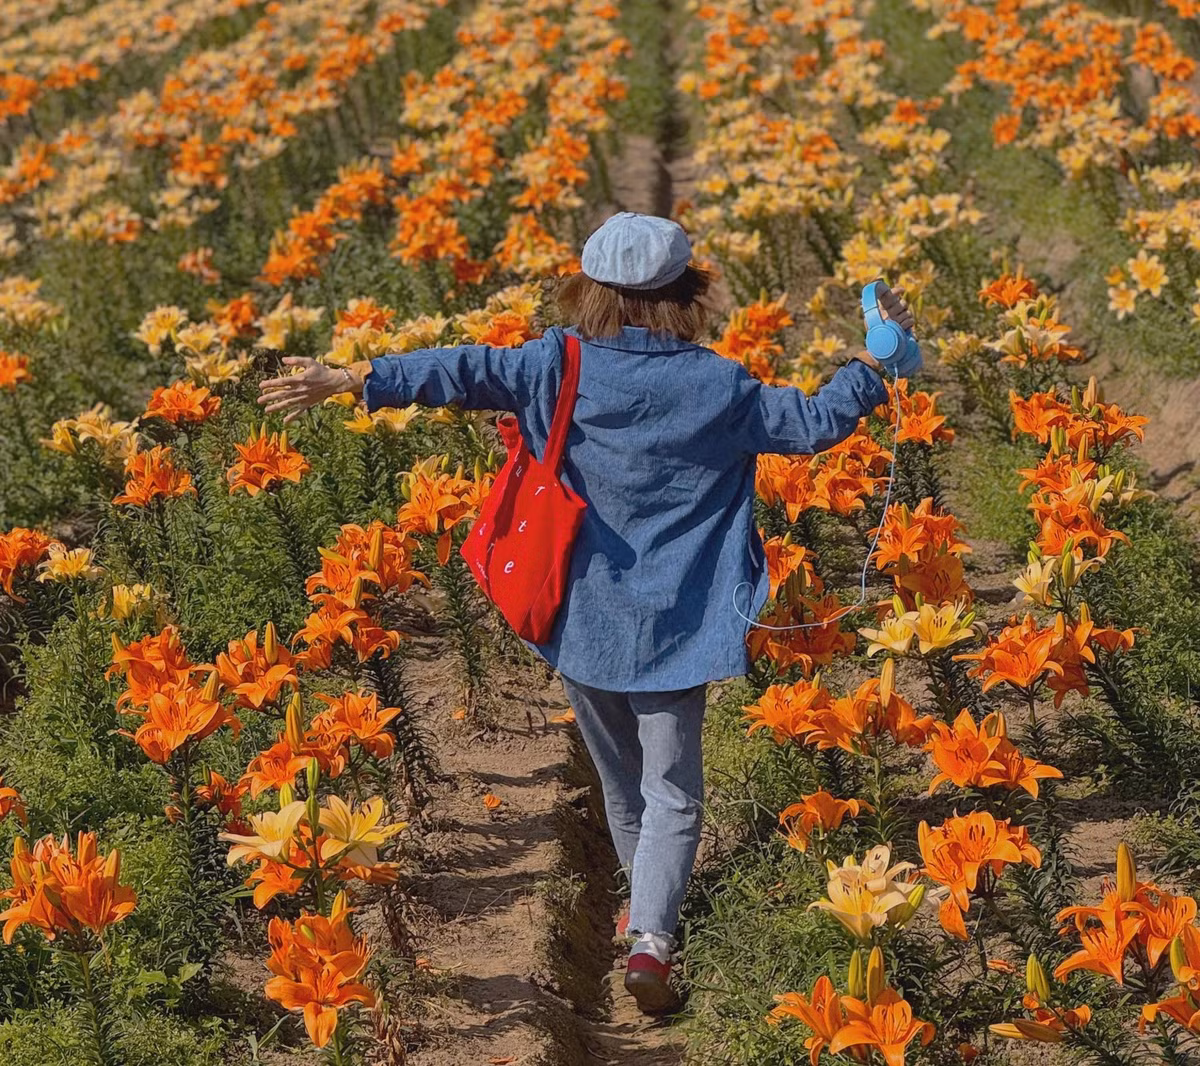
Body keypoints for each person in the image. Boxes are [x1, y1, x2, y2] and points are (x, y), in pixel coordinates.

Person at [258, 211, 916, 1014]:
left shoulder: (555, 364)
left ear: (591, 292)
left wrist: (357, 379)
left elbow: (462, 371)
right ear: (689, 294)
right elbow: (809, 426)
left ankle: (643, 919)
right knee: (675, 789)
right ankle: (652, 942)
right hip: (682, 620)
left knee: (627, 789)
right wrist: (872, 369)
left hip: (585, 619)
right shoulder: (719, 384)